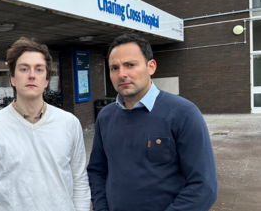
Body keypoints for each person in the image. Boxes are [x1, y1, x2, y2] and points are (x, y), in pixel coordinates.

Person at [87, 33, 218, 211]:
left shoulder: (183, 114)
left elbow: (204, 187)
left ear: (151, 66)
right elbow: (97, 171)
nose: (122, 74)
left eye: (130, 65)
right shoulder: (106, 116)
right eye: (114, 68)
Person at [0, 37, 91, 211]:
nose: (32, 75)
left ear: (47, 80)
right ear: (12, 78)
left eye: (39, 69)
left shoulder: (69, 123)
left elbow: (79, 180)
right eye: (24, 69)